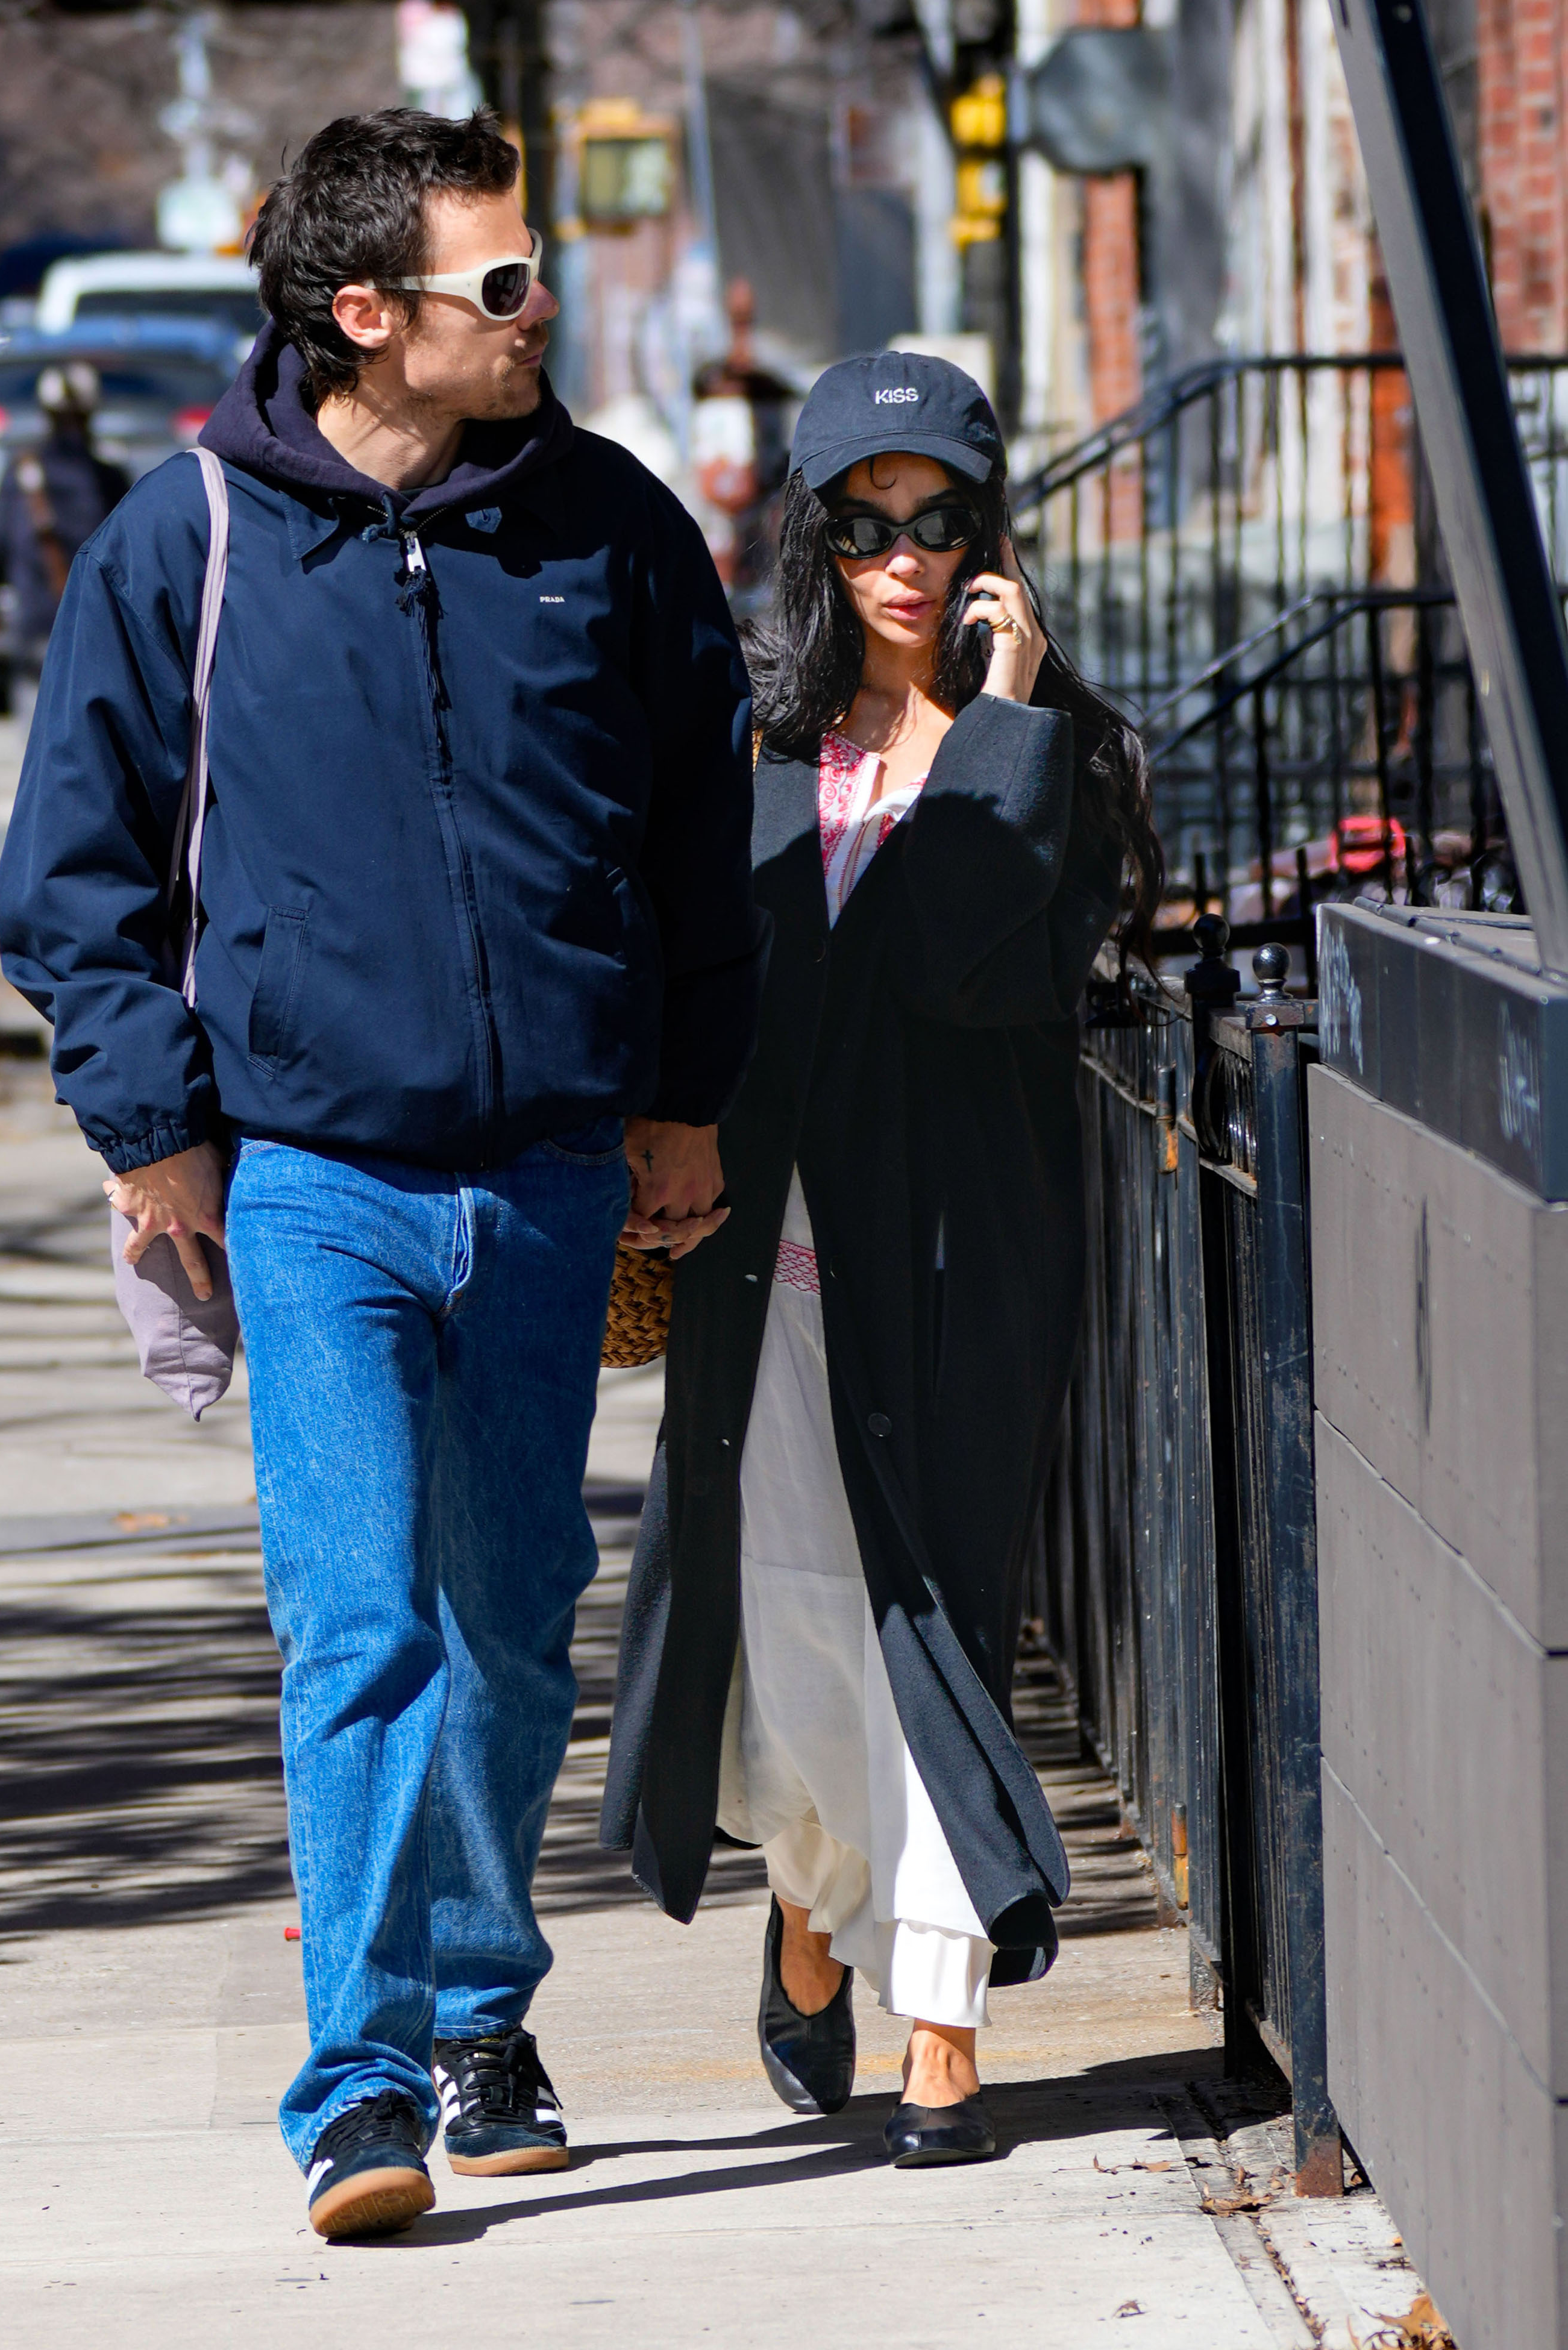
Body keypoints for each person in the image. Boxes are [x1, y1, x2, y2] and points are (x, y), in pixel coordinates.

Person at [0, 108, 763, 2240]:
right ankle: (355, 2087)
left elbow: (701, 843)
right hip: (310, 1178)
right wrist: (150, 1123)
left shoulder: (608, 527)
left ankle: (477, 2014)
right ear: (364, 315)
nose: (540, 309)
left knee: (509, 1620)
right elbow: (71, 876)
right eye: (500, 282)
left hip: (546, 1178)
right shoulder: (185, 541)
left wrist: (682, 1095)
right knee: (357, 1629)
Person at [600, 351, 1162, 2166]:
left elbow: (949, 963)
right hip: (761, 1253)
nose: (902, 560)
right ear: (812, 539)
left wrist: (997, 714)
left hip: (952, 1260)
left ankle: (940, 2018)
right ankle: (808, 1897)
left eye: (937, 524)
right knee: (786, 1609)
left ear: (988, 538)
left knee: (928, 1610)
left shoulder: (1054, 752)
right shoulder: (753, 746)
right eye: (862, 526)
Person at [0, 360, 128, 719]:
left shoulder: (21, 477)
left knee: (35, 733)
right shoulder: (111, 480)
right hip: (97, 633)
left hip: (36, 631)